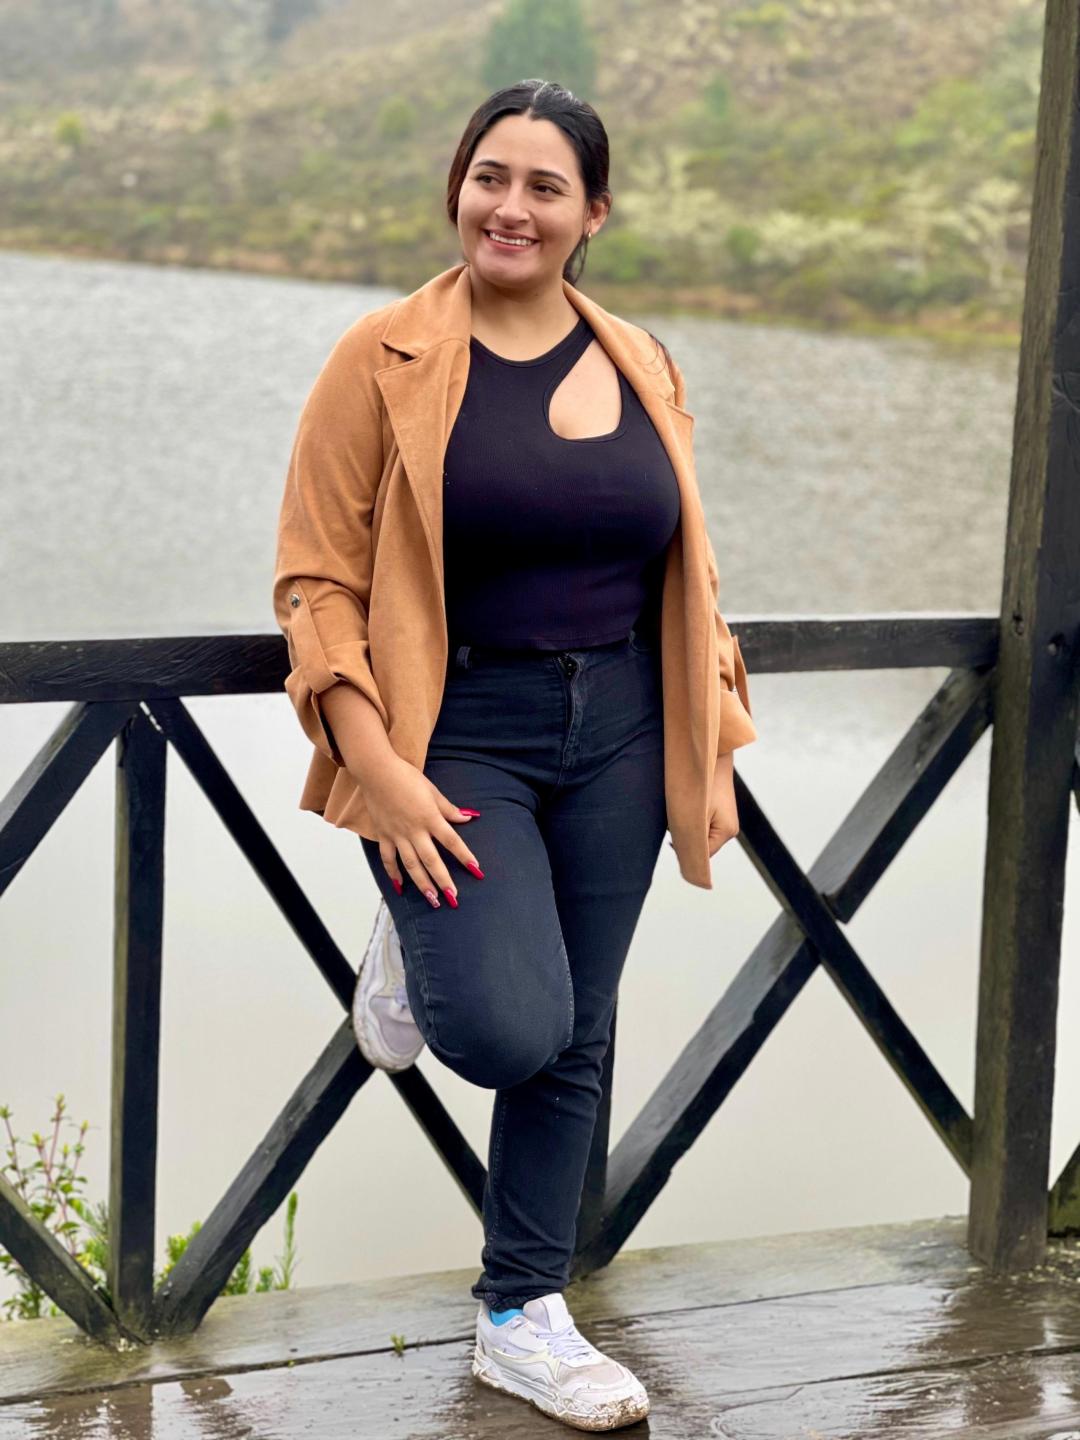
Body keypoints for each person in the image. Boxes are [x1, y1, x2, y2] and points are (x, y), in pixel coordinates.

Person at [274, 77, 758, 1433]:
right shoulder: (381, 355)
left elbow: (686, 567)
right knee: (504, 1030)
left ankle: (521, 1315)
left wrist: (710, 729)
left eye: (547, 187)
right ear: (458, 186)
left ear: (592, 213)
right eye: (492, 176)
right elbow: (314, 583)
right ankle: (417, 928)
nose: (512, 207)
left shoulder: (644, 360)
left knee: (579, 1032)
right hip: (456, 732)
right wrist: (381, 778)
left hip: (623, 727)